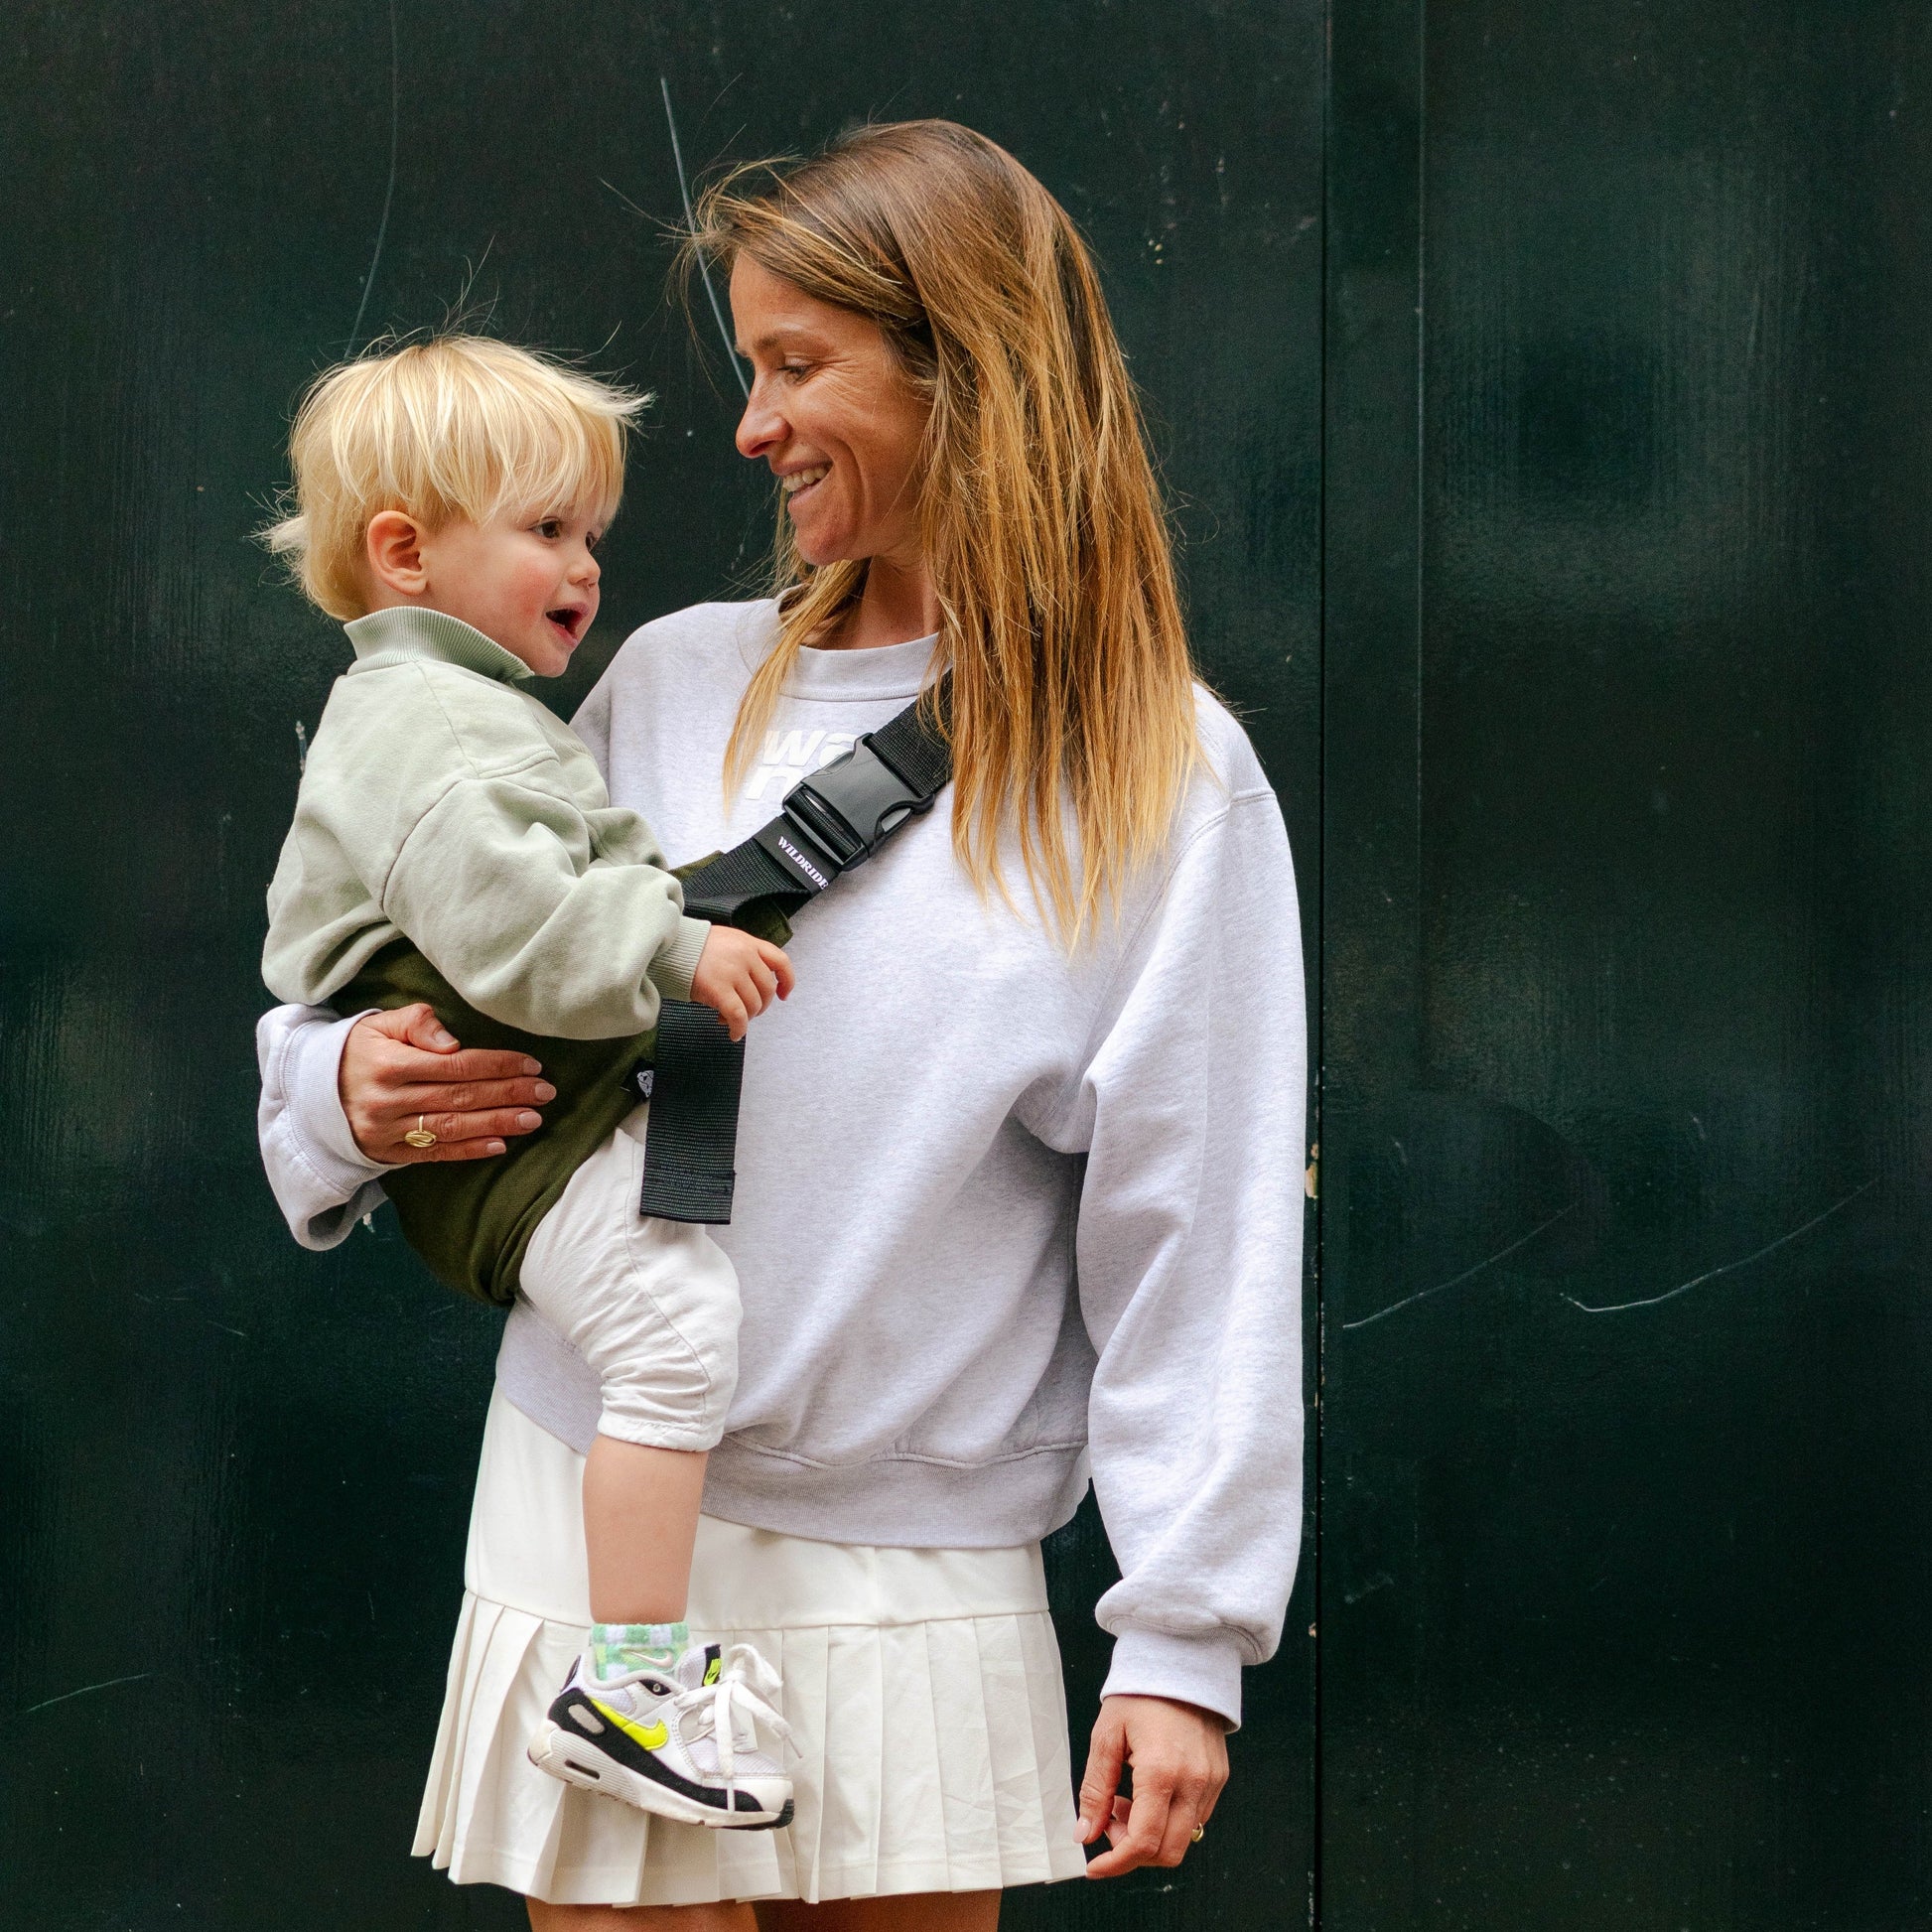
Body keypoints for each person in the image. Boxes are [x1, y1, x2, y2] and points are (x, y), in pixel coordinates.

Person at [256, 119, 1306, 1928]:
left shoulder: (1156, 777)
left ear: (964, 373)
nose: (749, 428)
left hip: (915, 1553)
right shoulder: (667, 680)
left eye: (796, 365)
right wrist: (336, 1085)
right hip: (598, 1516)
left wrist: (1183, 1633)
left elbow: (1192, 1233)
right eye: (752, 368)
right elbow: (402, 926)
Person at [259, 335, 799, 1828]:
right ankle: (629, 1678)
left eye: (590, 536)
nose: (585, 567)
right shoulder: (430, 728)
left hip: (522, 1121)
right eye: (549, 530)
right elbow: (510, 929)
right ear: (404, 551)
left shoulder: (466, 711)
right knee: (678, 1332)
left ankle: (633, 1667)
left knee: (678, 1327)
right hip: (502, 1131)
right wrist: (674, 947)